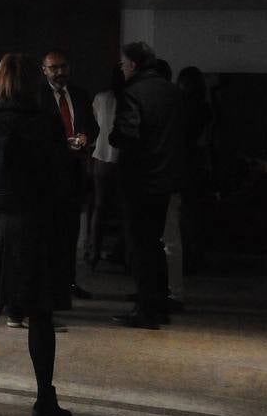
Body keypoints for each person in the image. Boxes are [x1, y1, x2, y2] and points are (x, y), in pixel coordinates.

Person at [0, 53, 72, 416]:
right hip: (35, 225)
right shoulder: (47, 124)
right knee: (40, 315)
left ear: (1, 82)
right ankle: (44, 403)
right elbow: (62, 183)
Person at [110, 41, 185, 329]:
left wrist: (114, 137)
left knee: (140, 247)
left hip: (139, 180)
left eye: (124, 64)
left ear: (134, 65)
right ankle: (160, 305)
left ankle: (146, 311)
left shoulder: (132, 92)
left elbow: (127, 134)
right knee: (156, 243)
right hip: (166, 179)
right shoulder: (173, 92)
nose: (122, 68)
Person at [38, 49, 98, 301]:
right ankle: (49, 285)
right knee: (48, 233)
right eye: (53, 68)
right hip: (48, 174)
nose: (59, 72)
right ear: (44, 70)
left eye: (63, 66)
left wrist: (85, 135)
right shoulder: (37, 97)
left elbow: (92, 125)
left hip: (74, 170)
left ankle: (68, 282)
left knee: (71, 231)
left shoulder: (80, 94)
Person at [169, 67, 213, 310]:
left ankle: (186, 264)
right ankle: (195, 259)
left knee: (181, 218)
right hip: (198, 166)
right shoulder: (205, 108)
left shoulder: (180, 108)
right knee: (193, 216)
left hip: (183, 164)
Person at [87, 65, 126, 266]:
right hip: (124, 159)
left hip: (101, 156)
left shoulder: (101, 98)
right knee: (125, 209)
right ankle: (123, 253)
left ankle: (94, 252)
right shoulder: (131, 99)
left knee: (99, 207)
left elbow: (94, 125)